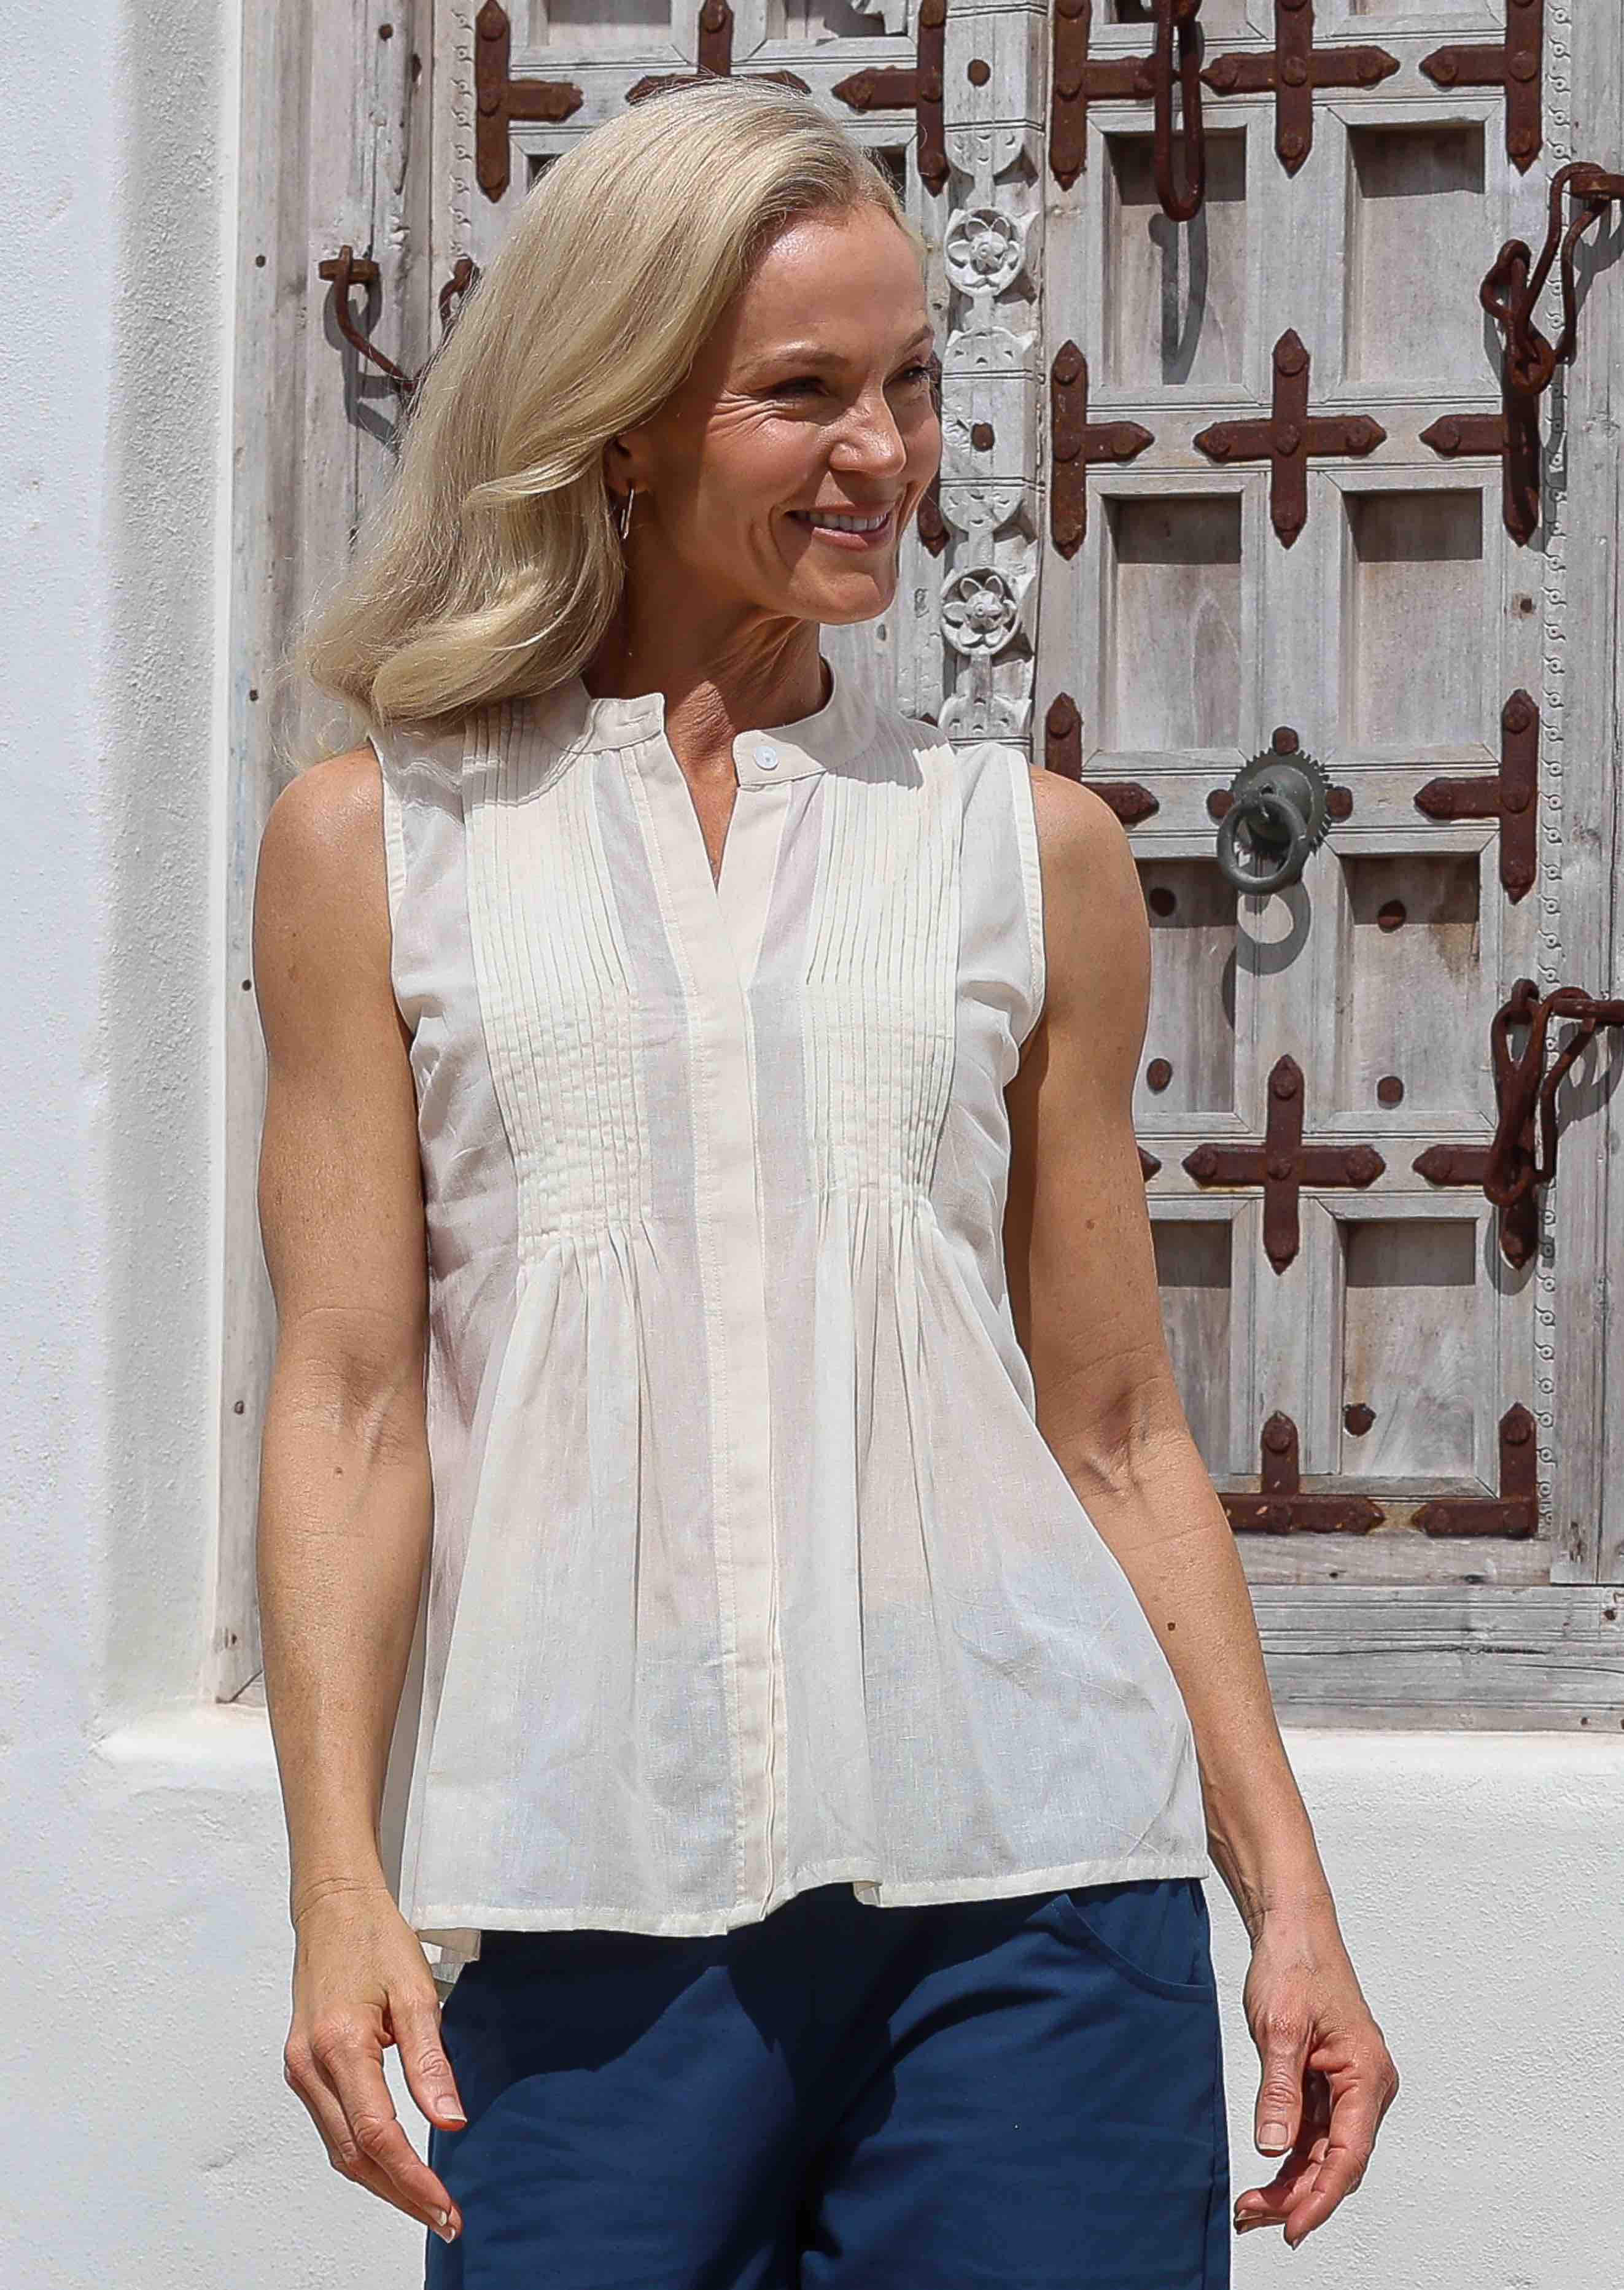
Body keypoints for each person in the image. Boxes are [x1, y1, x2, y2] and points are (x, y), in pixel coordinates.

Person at [252, 78, 1398, 2289]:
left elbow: (1118, 1428)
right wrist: (334, 1885)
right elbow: (352, 1407)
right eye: (804, 393)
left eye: (912, 386)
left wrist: (1295, 1903)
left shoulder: (1017, 853)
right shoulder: (376, 847)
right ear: (620, 422)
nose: (887, 453)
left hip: (1035, 1898)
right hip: (588, 1902)